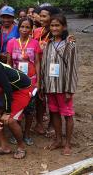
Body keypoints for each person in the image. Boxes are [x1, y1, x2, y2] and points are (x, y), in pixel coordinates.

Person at [41, 14, 77, 156]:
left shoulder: (70, 44)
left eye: (57, 25)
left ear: (64, 27)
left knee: (67, 115)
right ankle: (58, 140)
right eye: (52, 26)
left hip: (63, 87)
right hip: (50, 86)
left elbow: (72, 68)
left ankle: (67, 143)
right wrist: (43, 86)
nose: (54, 28)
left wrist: (69, 89)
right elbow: (44, 66)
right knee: (54, 113)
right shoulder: (48, 43)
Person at [7, 18, 41, 145]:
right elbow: (9, 63)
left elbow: (37, 62)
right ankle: (17, 133)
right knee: (17, 107)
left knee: (29, 109)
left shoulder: (35, 43)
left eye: (27, 27)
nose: (24, 30)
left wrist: (38, 81)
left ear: (31, 29)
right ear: (18, 28)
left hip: (31, 82)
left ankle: (27, 134)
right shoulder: (11, 43)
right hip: (16, 81)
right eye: (22, 27)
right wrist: (9, 80)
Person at [32, 6, 60, 136]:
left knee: (53, 97)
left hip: (53, 69)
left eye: (44, 16)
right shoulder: (37, 31)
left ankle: (52, 124)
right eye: (40, 16)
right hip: (39, 69)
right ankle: (39, 123)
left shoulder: (59, 34)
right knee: (39, 96)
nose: (40, 18)